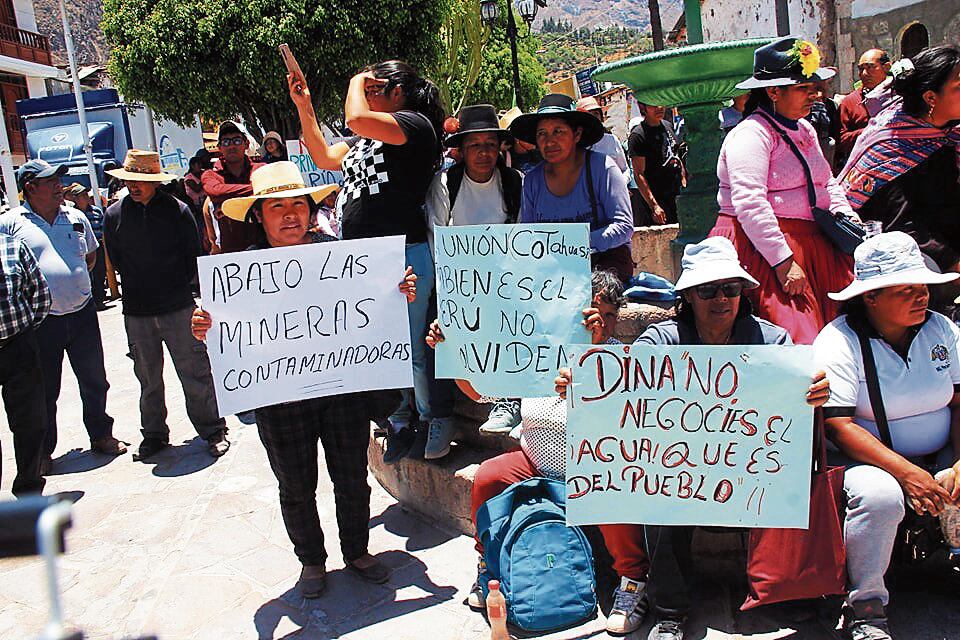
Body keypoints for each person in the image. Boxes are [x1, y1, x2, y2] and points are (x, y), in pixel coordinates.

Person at [556, 237, 831, 639]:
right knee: (659, 489)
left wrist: (813, 393)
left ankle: (794, 592)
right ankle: (670, 611)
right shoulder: (660, 341)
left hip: (750, 471)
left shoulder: (773, 343)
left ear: (741, 293)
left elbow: (794, 414)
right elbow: (623, 390)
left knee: (791, 481)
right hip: (685, 476)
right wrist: (581, 383)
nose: (721, 298)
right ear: (687, 295)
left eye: (730, 289)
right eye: (708, 290)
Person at [191, 160, 416, 598]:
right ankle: (311, 560)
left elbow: (370, 313)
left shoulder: (342, 257)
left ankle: (357, 551)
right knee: (295, 484)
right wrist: (205, 327)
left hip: (343, 389)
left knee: (351, 474)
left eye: (299, 204)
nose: (292, 214)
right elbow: (225, 334)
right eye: (278, 207)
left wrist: (396, 292)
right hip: (280, 395)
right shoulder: (239, 275)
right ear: (259, 215)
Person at [428, 270, 655, 635]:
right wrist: (450, 352)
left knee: (613, 486)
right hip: (536, 461)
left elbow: (627, 420)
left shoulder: (618, 358)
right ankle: (489, 565)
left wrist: (592, 355)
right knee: (489, 477)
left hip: (594, 465)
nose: (602, 321)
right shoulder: (536, 352)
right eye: (593, 311)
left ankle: (632, 581)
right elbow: (478, 391)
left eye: (611, 315)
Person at [289, 59, 444, 463]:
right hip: (364, 263)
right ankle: (398, 419)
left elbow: (356, 117)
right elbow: (323, 156)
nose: (366, 91)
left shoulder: (414, 126)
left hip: (404, 254)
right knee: (380, 347)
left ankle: (427, 419)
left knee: (410, 347)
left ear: (398, 92)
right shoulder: (363, 143)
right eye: (366, 85)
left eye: (376, 85)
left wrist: (356, 76)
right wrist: (304, 106)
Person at [814, 232, 960, 640]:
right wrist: (908, 474)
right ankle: (866, 605)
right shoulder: (840, 341)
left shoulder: (942, 331)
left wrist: (959, 462)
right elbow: (838, 424)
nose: (921, 297)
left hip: (941, 451)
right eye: (906, 290)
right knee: (880, 497)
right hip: (869, 460)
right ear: (871, 297)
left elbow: (959, 403)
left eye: (922, 288)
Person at [709, 36, 856, 345]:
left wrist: (845, 215)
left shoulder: (805, 129)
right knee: (798, 336)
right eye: (804, 88)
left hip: (813, 242)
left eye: (814, 87)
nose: (814, 95)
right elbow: (749, 202)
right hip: (763, 245)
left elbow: (825, 181)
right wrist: (783, 261)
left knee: (844, 331)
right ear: (773, 91)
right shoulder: (750, 135)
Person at [103, 150, 229, 461]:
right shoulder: (114, 215)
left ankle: (213, 429)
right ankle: (155, 435)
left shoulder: (178, 210)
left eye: (141, 181)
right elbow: (115, 258)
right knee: (147, 378)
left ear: (154, 183)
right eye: (130, 180)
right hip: (137, 311)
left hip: (177, 306)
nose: (135, 186)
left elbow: (191, 256)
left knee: (195, 371)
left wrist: (178, 289)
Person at [0, 160, 126, 471]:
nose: (59, 185)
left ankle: (101, 434)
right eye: (50, 180)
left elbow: (91, 257)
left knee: (95, 379)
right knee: (45, 389)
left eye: (59, 178)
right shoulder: (11, 223)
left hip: (82, 314)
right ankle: (43, 451)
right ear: (30, 187)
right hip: (41, 320)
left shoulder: (75, 216)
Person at [425, 104, 524, 449]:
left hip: (505, 281)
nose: (483, 153)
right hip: (459, 284)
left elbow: (524, 238)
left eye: (490, 144)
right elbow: (437, 239)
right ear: (462, 150)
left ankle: (510, 398)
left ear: (499, 148)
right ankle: (440, 415)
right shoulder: (445, 184)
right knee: (435, 332)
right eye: (475, 145)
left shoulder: (514, 183)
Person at [840, 45, 960, 313]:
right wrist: (953, 262)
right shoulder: (891, 145)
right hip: (909, 272)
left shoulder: (950, 134)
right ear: (931, 97)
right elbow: (900, 225)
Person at [509, 93, 634, 282]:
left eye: (558, 131)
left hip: (603, 270)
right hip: (555, 273)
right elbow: (530, 233)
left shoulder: (602, 168)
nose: (549, 141)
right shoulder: (532, 181)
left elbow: (623, 226)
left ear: (576, 134)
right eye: (542, 133)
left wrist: (577, 244)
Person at [0, 233, 51, 495]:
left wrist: (26, 331)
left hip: (17, 345)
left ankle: (29, 489)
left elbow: (40, 294)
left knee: (30, 421)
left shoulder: (12, 246)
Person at [201, 122, 265, 253]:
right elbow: (215, 191)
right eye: (225, 142)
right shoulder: (210, 175)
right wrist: (257, 189)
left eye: (236, 140)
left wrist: (228, 202)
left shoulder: (262, 169)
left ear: (246, 144)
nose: (231, 146)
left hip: (266, 248)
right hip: (231, 255)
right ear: (219, 147)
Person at [628, 102, 685, 226]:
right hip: (659, 199)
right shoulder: (638, 136)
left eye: (661, 103)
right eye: (654, 105)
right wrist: (654, 206)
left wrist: (683, 178)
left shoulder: (667, 126)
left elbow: (676, 155)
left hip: (677, 196)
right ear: (643, 108)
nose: (659, 108)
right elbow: (639, 174)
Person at [837, 49, 892, 169]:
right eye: (861, 69)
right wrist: (873, 131)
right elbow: (842, 140)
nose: (864, 73)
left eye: (870, 67)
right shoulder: (850, 102)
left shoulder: (899, 96)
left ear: (886, 67)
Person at [63, 183, 107, 310]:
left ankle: (100, 300)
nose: (86, 197)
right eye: (82, 195)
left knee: (99, 274)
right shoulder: (72, 214)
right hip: (81, 249)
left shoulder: (96, 211)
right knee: (87, 276)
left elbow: (103, 228)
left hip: (98, 247)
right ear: (75, 198)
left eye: (86, 194)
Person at [577, 96, 630, 180]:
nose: (593, 118)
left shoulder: (611, 140)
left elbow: (625, 170)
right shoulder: (575, 146)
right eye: (588, 115)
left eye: (596, 113)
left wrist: (621, 183)